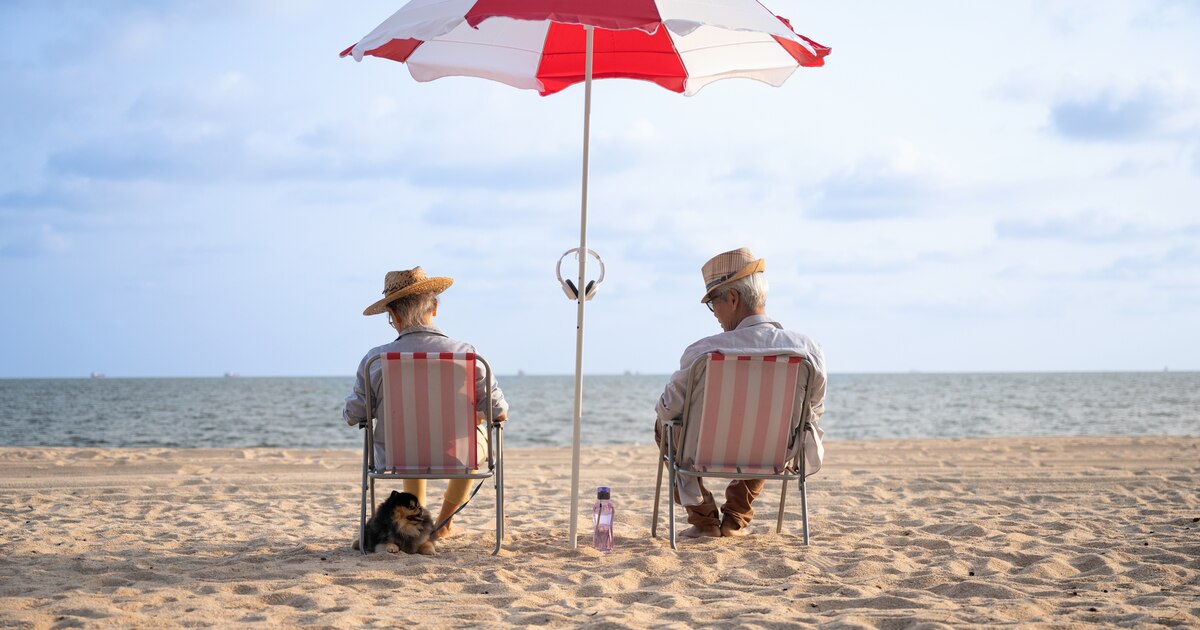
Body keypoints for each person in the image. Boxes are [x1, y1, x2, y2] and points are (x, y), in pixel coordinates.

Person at [655, 247, 827, 539]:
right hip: (773, 453)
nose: (715, 315)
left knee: (664, 428)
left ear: (732, 299)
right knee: (773, 428)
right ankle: (735, 519)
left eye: (713, 304)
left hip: (702, 453)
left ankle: (705, 520)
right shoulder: (806, 349)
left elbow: (668, 410)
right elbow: (813, 411)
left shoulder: (703, 352)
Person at [343, 266, 508, 540]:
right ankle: (443, 523)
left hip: (398, 457)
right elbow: (499, 412)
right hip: (458, 456)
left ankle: (415, 524)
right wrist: (476, 414)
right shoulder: (467, 355)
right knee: (471, 436)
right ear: (434, 307)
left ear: (393, 316)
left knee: (411, 436)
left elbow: (353, 414)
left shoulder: (376, 360)